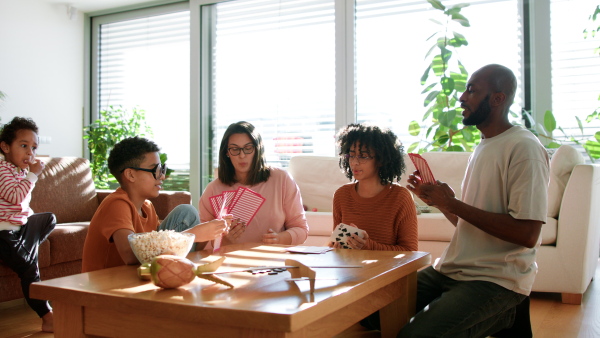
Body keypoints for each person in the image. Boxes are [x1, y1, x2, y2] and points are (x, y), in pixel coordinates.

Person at [398, 64, 549, 337]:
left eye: (472, 90)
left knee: (414, 336)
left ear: (498, 99)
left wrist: (453, 203)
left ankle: (506, 314)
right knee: (371, 313)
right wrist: (443, 204)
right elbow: (472, 225)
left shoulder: (524, 147)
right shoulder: (482, 147)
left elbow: (527, 233)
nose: (462, 97)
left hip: (494, 279)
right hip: (450, 270)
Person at [82, 136, 229, 272]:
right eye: (155, 170)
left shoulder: (147, 206)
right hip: (107, 286)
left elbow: (156, 246)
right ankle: (178, 274)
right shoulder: (116, 204)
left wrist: (211, 232)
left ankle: (181, 273)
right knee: (186, 220)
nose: (162, 176)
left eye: (161, 169)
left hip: (140, 275)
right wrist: (190, 236)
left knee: (187, 213)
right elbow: (130, 255)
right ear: (130, 175)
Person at [199, 121, 308, 247]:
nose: (242, 155)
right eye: (235, 149)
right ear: (226, 153)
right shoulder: (213, 189)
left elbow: (301, 229)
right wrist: (224, 240)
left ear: (257, 149)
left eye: (248, 148)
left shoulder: (282, 179)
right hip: (231, 261)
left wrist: (279, 239)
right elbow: (201, 241)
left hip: (273, 260)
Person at [0, 117, 56, 332]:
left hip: (19, 229)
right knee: (30, 268)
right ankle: (47, 315)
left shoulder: (20, 172)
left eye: (33, 148)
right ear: (5, 147)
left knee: (49, 218)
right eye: (23, 146)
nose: (29, 153)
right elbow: (15, 196)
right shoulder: (2, 169)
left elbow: (22, 206)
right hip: (4, 232)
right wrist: (33, 175)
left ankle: (25, 250)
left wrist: (28, 175)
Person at [330, 123, 418, 251]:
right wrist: (336, 246)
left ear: (381, 160)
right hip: (348, 268)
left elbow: (410, 251)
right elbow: (335, 244)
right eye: (351, 155)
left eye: (363, 156)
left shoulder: (400, 197)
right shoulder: (341, 195)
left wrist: (368, 246)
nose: (354, 162)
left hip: (388, 270)